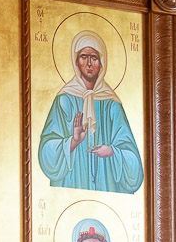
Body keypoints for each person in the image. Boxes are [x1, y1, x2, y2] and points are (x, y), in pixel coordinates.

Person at [37, 31, 142, 193]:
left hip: (106, 184)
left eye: (94, 57)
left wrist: (112, 151)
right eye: (83, 57)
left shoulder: (112, 104)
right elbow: (46, 152)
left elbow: (134, 161)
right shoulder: (64, 100)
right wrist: (73, 141)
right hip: (70, 186)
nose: (89, 63)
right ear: (76, 61)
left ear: (102, 63)